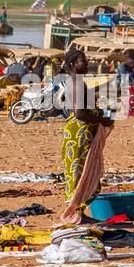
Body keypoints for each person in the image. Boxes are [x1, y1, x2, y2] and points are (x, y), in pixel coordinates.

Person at [57, 47, 114, 225]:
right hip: (79, 132)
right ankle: (75, 213)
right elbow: (80, 113)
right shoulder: (77, 82)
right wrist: (101, 119)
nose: (87, 63)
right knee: (80, 171)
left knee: (81, 170)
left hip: (80, 132)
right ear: (73, 64)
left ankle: (78, 211)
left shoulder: (76, 81)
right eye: (83, 60)